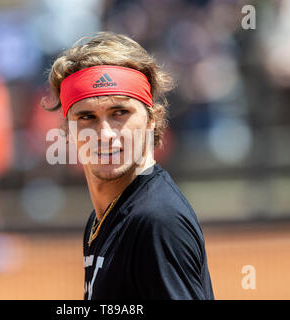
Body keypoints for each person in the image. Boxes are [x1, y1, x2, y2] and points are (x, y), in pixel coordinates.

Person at [43, 32, 214, 300]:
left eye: (120, 113)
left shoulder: (157, 221)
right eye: (87, 116)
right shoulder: (105, 217)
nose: (105, 134)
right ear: (68, 131)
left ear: (151, 120)